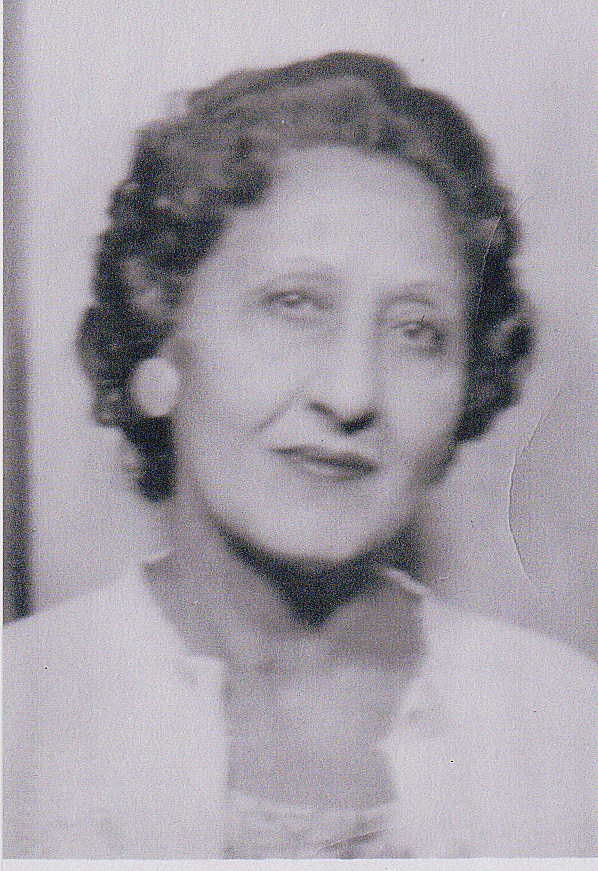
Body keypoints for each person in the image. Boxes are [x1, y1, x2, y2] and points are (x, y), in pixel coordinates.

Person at [4, 51, 596, 860]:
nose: (351, 395)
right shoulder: (20, 716)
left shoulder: (565, 728)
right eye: (294, 304)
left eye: (416, 330)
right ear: (161, 341)